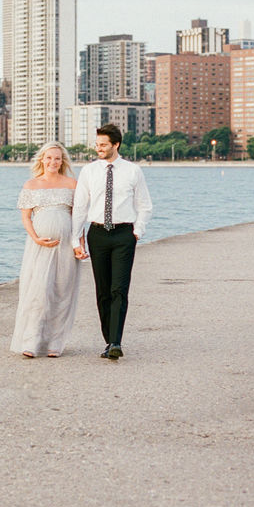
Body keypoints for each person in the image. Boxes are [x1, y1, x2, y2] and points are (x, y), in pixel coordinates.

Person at [72, 123, 152, 360]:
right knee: (102, 291)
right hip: (97, 235)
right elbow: (80, 207)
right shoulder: (88, 171)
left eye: (103, 145)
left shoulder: (133, 171)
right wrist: (75, 240)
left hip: (123, 236)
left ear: (116, 145)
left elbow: (144, 205)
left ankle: (116, 341)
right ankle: (109, 340)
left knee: (119, 289)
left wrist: (137, 231)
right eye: (97, 144)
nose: (99, 148)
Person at [10, 142, 85, 358]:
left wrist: (80, 244)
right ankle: (31, 341)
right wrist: (36, 238)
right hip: (39, 246)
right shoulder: (31, 185)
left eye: (58, 158)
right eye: (49, 158)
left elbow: (78, 218)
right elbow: (25, 217)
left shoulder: (72, 184)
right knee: (38, 292)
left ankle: (55, 342)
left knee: (62, 292)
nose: (53, 162)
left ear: (63, 162)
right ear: (42, 159)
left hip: (66, 245)